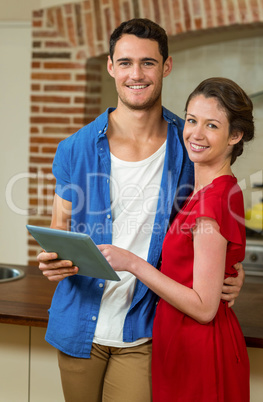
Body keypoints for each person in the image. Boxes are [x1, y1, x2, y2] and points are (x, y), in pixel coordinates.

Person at [37, 19, 245, 402]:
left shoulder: (190, 146)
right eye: (126, 62)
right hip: (78, 323)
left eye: (148, 63)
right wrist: (54, 260)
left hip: (145, 327)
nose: (137, 74)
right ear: (111, 66)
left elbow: (209, 220)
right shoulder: (74, 148)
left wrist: (233, 268)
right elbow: (60, 227)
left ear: (166, 66)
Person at [99, 77, 254, 401]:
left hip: (200, 350)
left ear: (235, 136)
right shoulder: (208, 189)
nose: (195, 133)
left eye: (211, 125)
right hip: (178, 342)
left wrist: (132, 263)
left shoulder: (212, 202)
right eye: (192, 119)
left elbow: (203, 308)